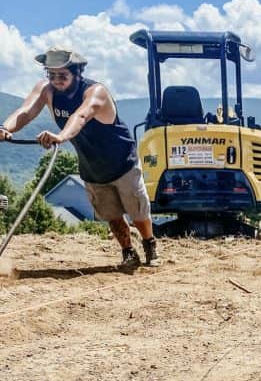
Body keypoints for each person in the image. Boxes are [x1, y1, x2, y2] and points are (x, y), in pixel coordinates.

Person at [0, 47, 158, 269]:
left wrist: (60, 136)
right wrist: (5, 128)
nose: (56, 81)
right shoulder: (46, 90)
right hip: (91, 166)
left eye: (62, 75)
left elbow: (81, 115)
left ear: (77, 73)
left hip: (122, 162)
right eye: (51, 74)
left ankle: (149, 244)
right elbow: (25, 111)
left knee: (137, 211)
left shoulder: (95, 92)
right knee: (111, 214)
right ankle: (128, 251)